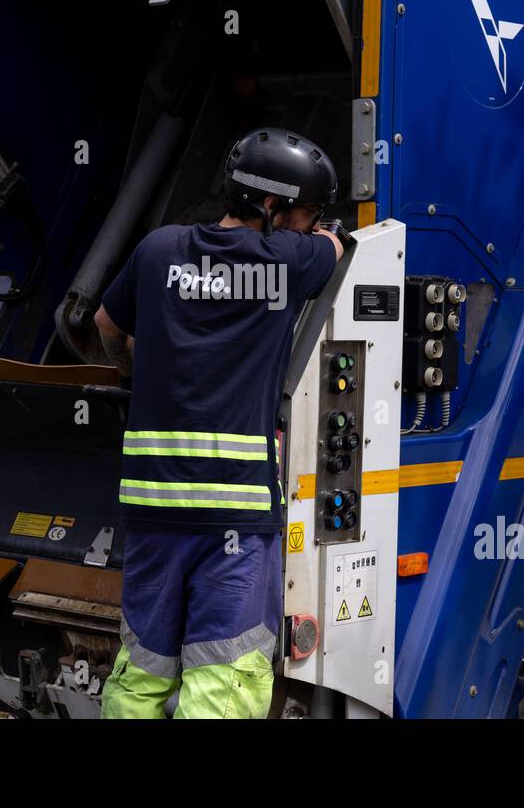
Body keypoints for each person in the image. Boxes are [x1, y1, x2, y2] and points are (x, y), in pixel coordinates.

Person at [95, 127, 345, 719]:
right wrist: (322, 237)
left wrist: (136, 369)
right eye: (306, 214)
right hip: (234, 518)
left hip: (153, 507)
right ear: (272, 207)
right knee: (224, 679)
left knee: (142, 670)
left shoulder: (158, 251)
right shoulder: (288, 260)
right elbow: (338, 248)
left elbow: (104, 325)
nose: (311, 227)